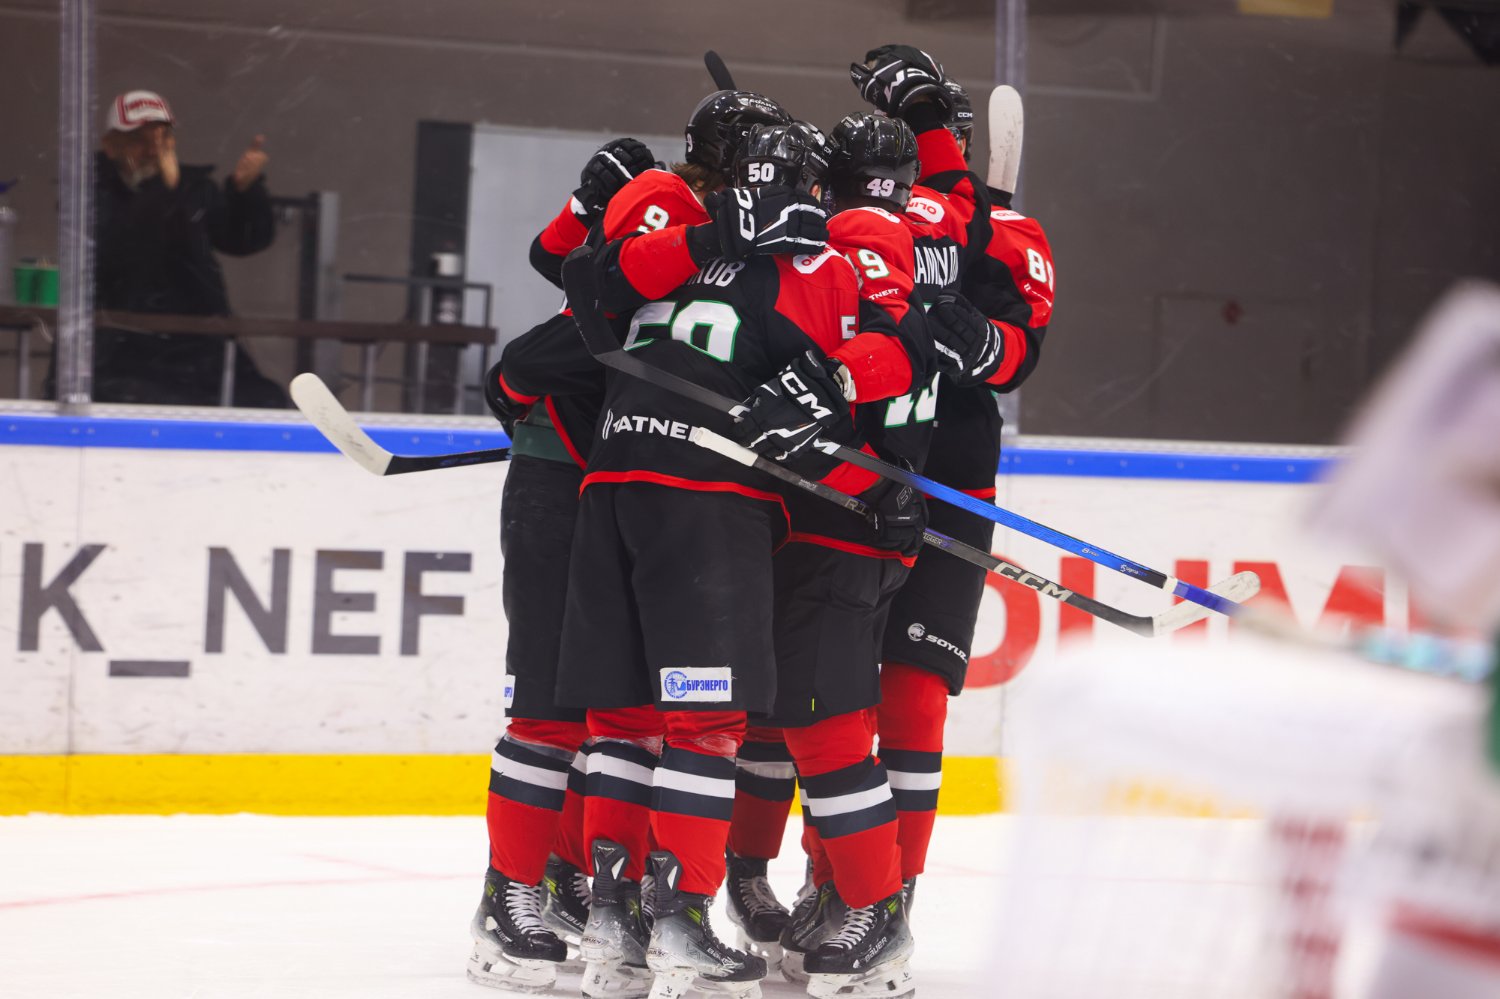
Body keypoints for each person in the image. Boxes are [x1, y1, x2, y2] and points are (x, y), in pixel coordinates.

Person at [856, 49, 1057, 906]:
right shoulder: (856, 214)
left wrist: (982, 343)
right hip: (851, 475)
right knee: (826, 697)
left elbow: (1019, 354)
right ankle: (828, 881)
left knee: (911, 693)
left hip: (953, 482)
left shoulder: (1011, 235)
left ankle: (887, 895)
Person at [467, 137, 661, 995]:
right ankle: (505, 895)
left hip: (621, 493)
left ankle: (566, 876)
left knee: (611, 704)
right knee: (548, 703)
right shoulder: (664, 240)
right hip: (558, 484)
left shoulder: (718, 251)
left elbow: (553, 271)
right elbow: (536, 345)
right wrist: (518, 390)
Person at [72, 90, 285, 407]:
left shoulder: (195, 188)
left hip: (199, 348)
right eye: (140, 140)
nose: (153, 151)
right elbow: (119, 243)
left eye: (163, 139)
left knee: (266, 401)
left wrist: (245, 191)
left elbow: (243, 240)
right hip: (120, 350)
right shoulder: (87, 189)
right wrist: (167, 188)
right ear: (111, 145)